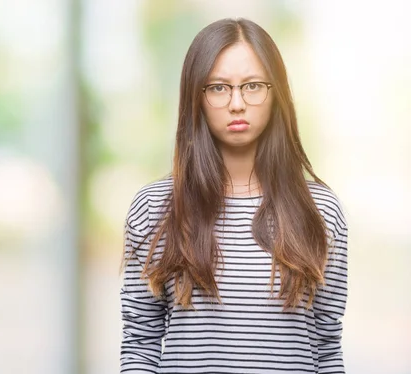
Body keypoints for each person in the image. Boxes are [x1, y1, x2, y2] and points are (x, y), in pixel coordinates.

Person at [120, 18, 348, 374]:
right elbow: (140, 343)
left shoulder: (320, 210)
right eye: (218, 88)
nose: (237, 103)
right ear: (196, 97)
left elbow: (327, 345)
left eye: (253, 86)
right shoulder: (155, 207)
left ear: (277, 94)